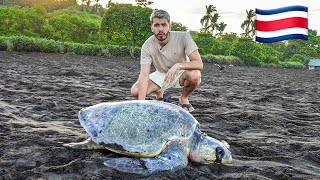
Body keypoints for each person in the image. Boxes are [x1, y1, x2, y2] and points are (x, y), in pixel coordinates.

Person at [131, 9, 203, 112]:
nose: (160, 29)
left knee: (195, 75)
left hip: (182, 73)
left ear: (170, 26)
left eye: (164, 25)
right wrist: (141, 104)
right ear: (151, 27)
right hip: (161, 74)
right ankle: (159, 91)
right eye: (156, 25)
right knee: (135, 91)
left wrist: (178, 65)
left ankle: (184, 98)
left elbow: (199, 64)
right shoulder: (147, 45)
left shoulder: (184, 37)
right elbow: (143, 74)